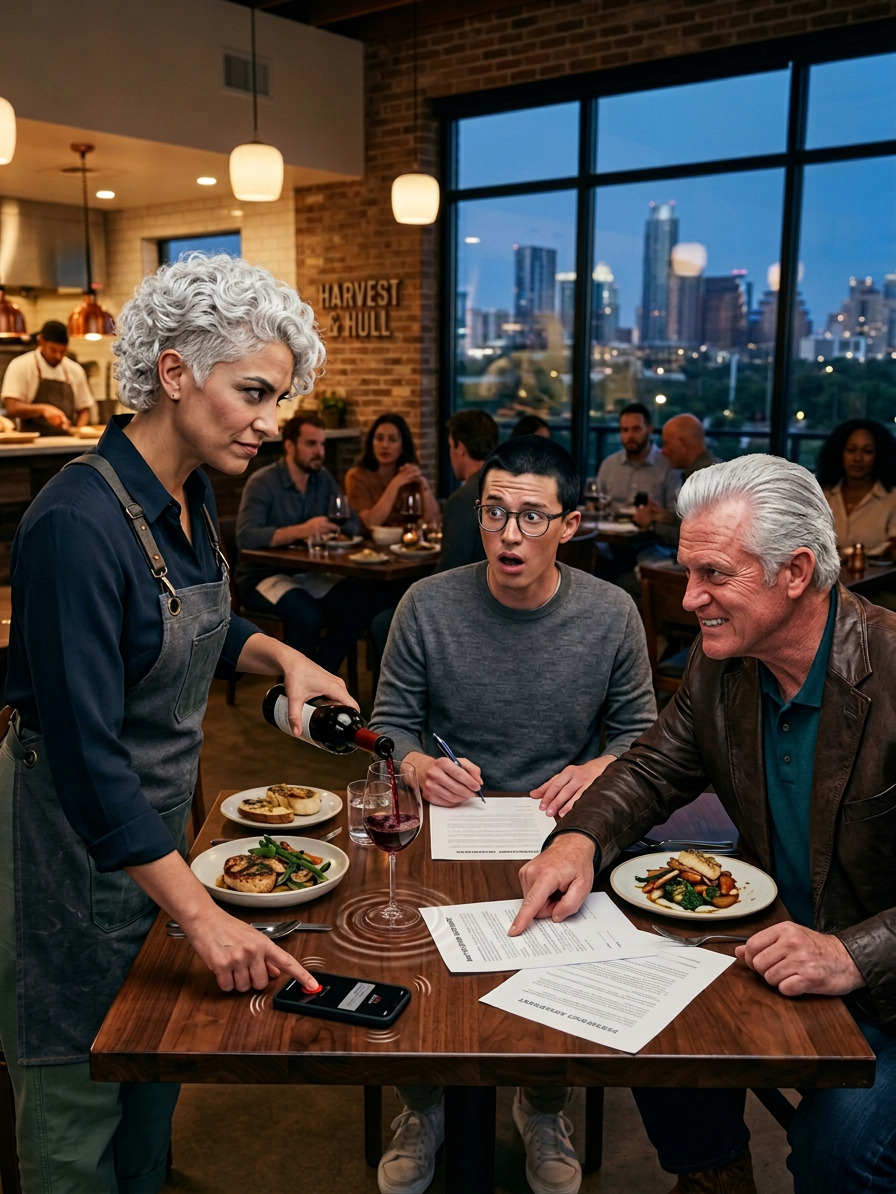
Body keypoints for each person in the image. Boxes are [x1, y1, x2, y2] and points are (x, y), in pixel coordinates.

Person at [0, 254, 344, 1193]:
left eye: (279, 397)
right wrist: (204, 917)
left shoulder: (189, 493)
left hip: (160, 837)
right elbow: (85, 758)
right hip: (71, 848)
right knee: (75, 1114)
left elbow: (193, 620)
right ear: (176, 372)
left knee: (151, 1073)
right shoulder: (76, 523)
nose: (273, 423)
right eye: (255, 393)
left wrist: (284, 657)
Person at [511, 453, 896, 1194]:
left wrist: (852, 955)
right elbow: (652, 769)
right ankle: (714, 1171)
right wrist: (576, 842)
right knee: (637, 1004)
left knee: (841, 1150)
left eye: (714, 575)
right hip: (768, 942)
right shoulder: (724, 665)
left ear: (796, 571)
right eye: (689, 572)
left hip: (882, 986)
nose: (689, 599)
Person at [369, 435, 656, 1194]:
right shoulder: (428, 604)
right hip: (446, 817)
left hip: (560, 822)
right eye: (495, 512)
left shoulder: (611, 613)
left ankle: (544, 1100)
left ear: (569, 524)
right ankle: (422, 1102)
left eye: (533, 517)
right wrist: (418, 765)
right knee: (408, 932)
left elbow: (643, 738)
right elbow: (389, 721)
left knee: (561, 936)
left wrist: (598, 767)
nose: (509, 534)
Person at [236, 413, 376, 673]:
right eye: (311, 444)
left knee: (362, 603)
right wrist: (302, 530)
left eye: (321, 445)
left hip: (308, 574)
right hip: (263, 577)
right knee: (306, 614)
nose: (319, 452)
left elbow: (352, 524)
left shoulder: (322, 478)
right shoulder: (264, 482)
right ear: (290, 445)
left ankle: (319, 676)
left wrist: (332, 527)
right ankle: (297, 695)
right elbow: (246, 537)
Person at [633, 413, 719, 550]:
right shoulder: (713, 469)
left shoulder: (700, 480)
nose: (663, 451)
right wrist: (670, 519)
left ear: (683, 443)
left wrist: (651, 525)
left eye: (667, 444)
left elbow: (695, 541)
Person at [345, 412, 440, 529]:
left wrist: (424, 488)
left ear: (403, 446)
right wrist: (395, 484)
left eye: (392, 440)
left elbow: (433, 523)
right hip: (370, 545)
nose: (384, 445)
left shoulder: (409, 476)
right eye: (379, 439)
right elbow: (370, 522)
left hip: (406, 543)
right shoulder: (357, 476)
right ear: (371, 443)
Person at [817, 418, 896, 556]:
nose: (858, 458)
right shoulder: (822, 495)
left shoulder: (892, 498)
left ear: (879, 455)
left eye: (867, 451)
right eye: (851, 450)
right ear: (839, 453)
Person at [0, 320, 95, 433]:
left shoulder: (75, 370)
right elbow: (12, 407)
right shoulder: (21, 366)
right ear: (41, 342)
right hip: (32, 444)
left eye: (63, 351)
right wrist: (44, 409)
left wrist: (79, 431)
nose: (58, 356)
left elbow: (84, 409)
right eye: (53, 350)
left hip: (68, 442)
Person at [437, 408, 499, 572]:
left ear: (460, 448)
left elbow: (450, 571)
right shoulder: (507, 486)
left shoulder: (462, 500)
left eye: (451, 445)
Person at [596, 402, 676, 510]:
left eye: (636, 429)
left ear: (649, 430)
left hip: (651, 526)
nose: (630, 436)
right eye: (625, 430)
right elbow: (597, 502)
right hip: (611, 525)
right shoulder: (609, 465)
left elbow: (675, 514)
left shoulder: (667, 465)